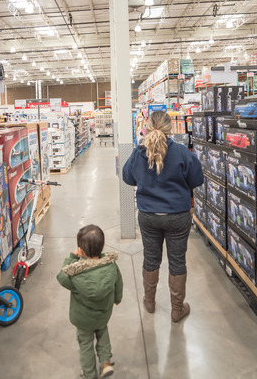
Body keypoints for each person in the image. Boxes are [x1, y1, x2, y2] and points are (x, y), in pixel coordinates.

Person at [122, 110, 204, 322]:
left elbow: (127, 178)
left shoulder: (139, 152)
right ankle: (177, 309)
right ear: (171, 129)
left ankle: (149, 301)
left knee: (151, 258)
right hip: (177, 215)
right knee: (177, 261)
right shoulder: (182, 152)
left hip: (149, 215)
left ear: (148, 127)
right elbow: (197, 179)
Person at [57, 225, 123, 379]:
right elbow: (118, 283)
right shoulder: (111, 266)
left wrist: (72, 258)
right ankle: (105, 363)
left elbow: (61, 277)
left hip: (83, 319)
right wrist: (117, 298)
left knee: (85, 345)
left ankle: (89, 373)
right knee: (102, 333)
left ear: (81, 250)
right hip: (103, 314)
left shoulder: (76, 273)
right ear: (102, 247)